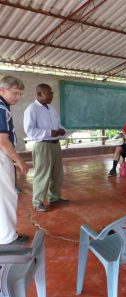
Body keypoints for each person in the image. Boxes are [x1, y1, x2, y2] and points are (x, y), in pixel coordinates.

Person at [24, 83, 69, 212]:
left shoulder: (51, 108)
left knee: (57, 173)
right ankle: (37, 202)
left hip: (55, 145)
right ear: (39, 94)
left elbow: (58, 124)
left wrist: (61, 130)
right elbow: (30, 131)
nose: (52, 95)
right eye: (49, 92)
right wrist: (49, 133)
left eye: (52, 92)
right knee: (42, 174)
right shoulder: (32, 109)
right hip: (43, 145)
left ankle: (54, 197)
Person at [0, 76, 29, 244]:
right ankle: (8, 238)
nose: (18, 97)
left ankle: (4, 234)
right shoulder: (1, 108)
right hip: (2, 156)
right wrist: (19, 160)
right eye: (15, 93)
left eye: (20, 94)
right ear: (2, 90)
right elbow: (3, 141)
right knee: (6, 196)